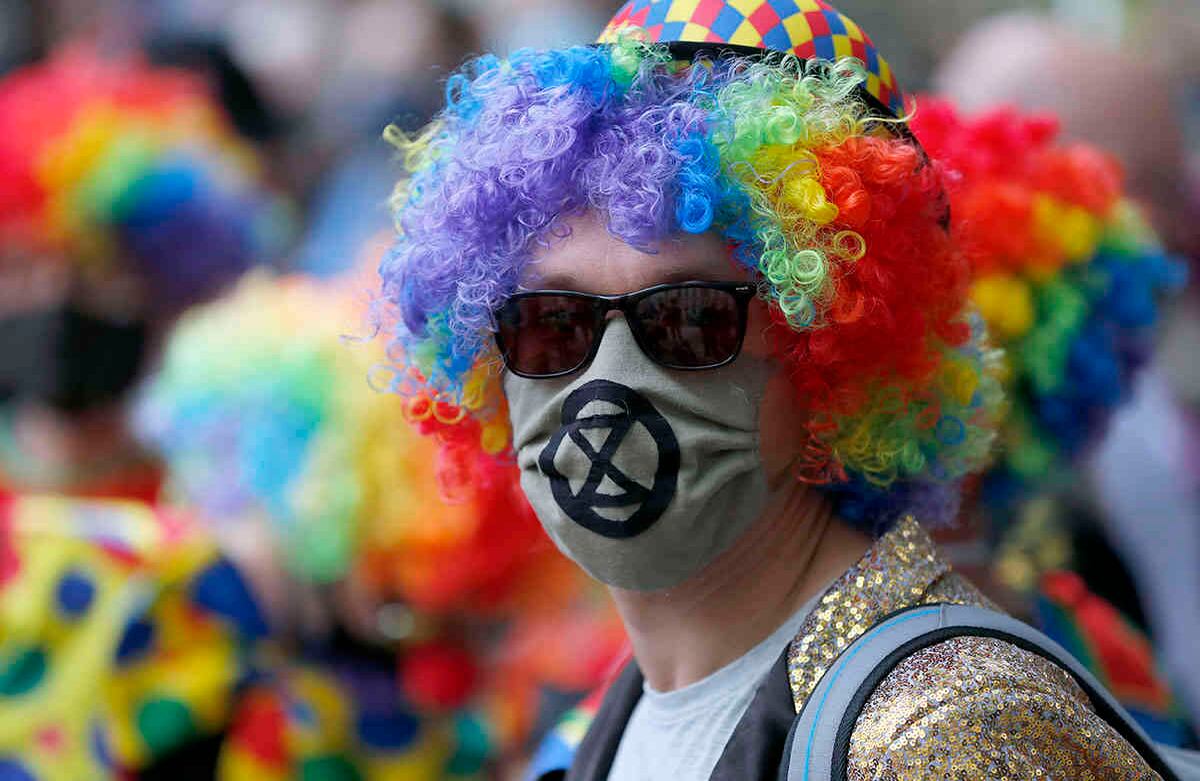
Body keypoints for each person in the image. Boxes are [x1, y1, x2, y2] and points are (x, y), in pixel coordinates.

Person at [373, 0, 1169, 777]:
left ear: (830, 355)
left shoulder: (945, 730)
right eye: (553, 323)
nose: (608, 379)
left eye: (688, 319)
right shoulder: (611, 726)